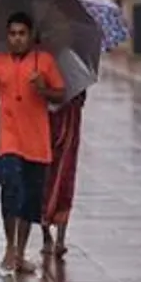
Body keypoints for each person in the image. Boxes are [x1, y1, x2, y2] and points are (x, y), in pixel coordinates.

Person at [0, 11, 65, 274]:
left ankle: (21, 251)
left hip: (37, 146)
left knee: (29, 202)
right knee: (10, 190)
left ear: (31, 36)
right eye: (12, 34)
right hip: (9, 144)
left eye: (22, 34)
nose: (16, 39)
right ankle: (9, 247)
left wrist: (43, 89)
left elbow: (60, 95)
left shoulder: (45, 62)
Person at [41, 90, 86, 259]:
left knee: (64, 174)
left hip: (68, 119)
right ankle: (48, 234)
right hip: (43, 118)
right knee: (45, 175)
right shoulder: (40, 64)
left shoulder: (74, 68)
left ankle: (58, 237)